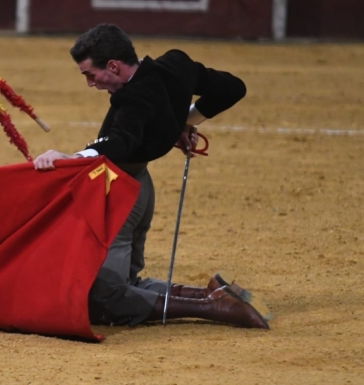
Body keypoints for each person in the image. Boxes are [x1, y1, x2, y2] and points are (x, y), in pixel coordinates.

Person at [33, 23, 270, 329]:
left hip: (118, 195)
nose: (90, 84)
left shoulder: (132, 100)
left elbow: (119, 142)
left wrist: (72, 158)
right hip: (142, 190)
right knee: (129, 281)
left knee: (106, 299)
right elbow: (233, 88)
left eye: (90, 74)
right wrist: (181, 121)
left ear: (114, 66)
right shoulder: (175, 64)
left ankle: (217, 308)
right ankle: (212, 293)